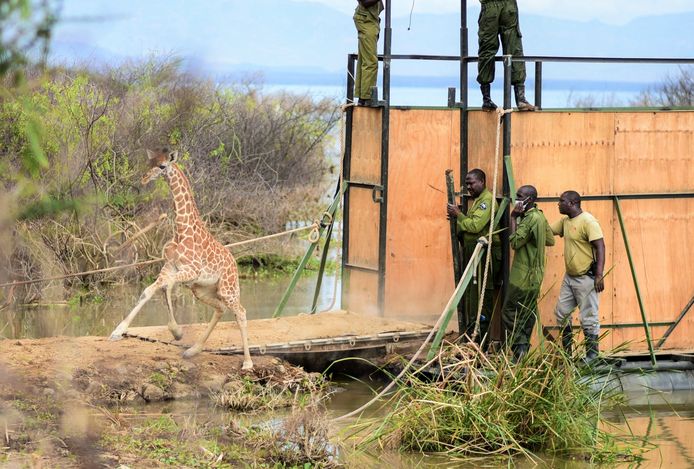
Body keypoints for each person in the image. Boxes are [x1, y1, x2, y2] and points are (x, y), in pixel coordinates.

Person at [500, 185, 554, 360]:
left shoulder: (528, 220)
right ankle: (523, 351)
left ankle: (519, 350)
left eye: (520, 196)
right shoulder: (540, 217)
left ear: (529, 200)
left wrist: (514, 217)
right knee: (527, 313)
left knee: (509, 312)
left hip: (522, 277)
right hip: (536, 277)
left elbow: (515, 243)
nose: (517, 198)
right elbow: (550, 240)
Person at [446, 169, 501, 341]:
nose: (468, 187)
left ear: (482, 182)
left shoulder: (487, 201)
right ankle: (471, 337)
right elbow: (467, 226)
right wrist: (461, 218)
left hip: (483, 257)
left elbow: (475, 226)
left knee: (481, 298)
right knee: (471, 297)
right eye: (467, 183)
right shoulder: (477, 201)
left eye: (472, 183)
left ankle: (480, 342)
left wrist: (459, 215)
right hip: (472, 254)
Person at [550, 191, 605, 362]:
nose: (558, 204)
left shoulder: (588, 221)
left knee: (588, 316)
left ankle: (592, 355)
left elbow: (600, 246)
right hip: (570, 277)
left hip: (586, 278)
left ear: (573, 203)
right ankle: (567, 354)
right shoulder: (566, 221)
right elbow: (548, 231)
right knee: (562, 312)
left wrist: (599, 275)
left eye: (562, 201)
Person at [477, 0, 535, 112]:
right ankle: (519, 99)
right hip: (500, 6)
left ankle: (488, 99)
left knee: (493, 49)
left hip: (497, 6)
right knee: (510, 49)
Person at [353, 0, 383, 106]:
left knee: (365, 59)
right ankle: (366, 97)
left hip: (369, 19)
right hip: (366, 20)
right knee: (370, 62)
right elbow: (365, 2)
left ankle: (362, 97)